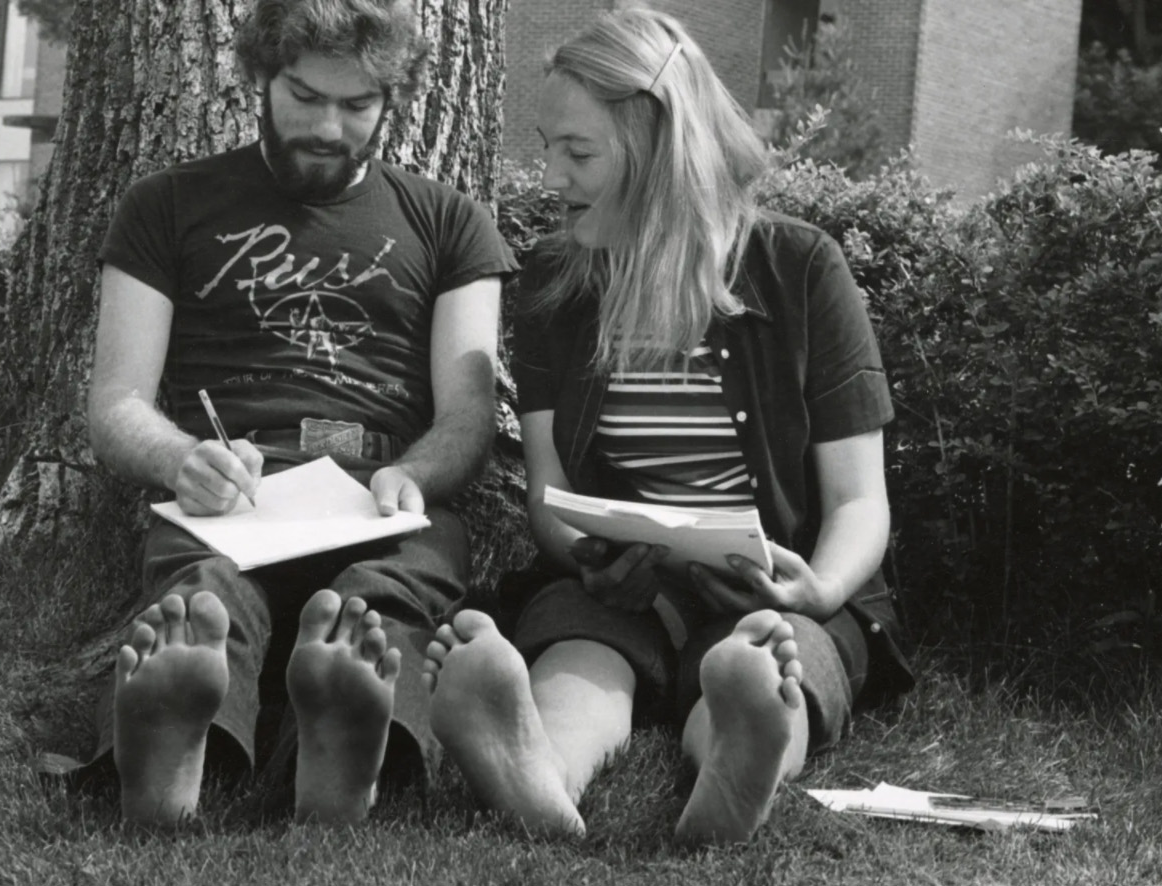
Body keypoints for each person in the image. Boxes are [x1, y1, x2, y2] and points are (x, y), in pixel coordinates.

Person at [421, 7, 913, 843]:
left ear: (657, 148)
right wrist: (585, 555)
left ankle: (741, 742)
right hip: (623, 590)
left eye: (577, 153)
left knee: (763, 663)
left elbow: (860, 501)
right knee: (578, 654)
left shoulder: (799, 269)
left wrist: (818, 589)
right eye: (548, 147)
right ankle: (534, 767)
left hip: (775, 591)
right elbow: (552, 489)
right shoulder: (557, 281)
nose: (550, 177)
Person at [84, 0, 516, 827]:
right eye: (306, 97)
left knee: (382, 598)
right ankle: (173, 753)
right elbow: (115, 401)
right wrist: (182, 460)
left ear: (395, 99)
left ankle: (342, 744)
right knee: (202, 600)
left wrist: (412, 475)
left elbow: (469, 412)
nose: (328, 126)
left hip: (383, 490)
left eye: (356, 107)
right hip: (232, 488)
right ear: (261, 76)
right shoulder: (165, 206)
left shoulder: (450, 222)